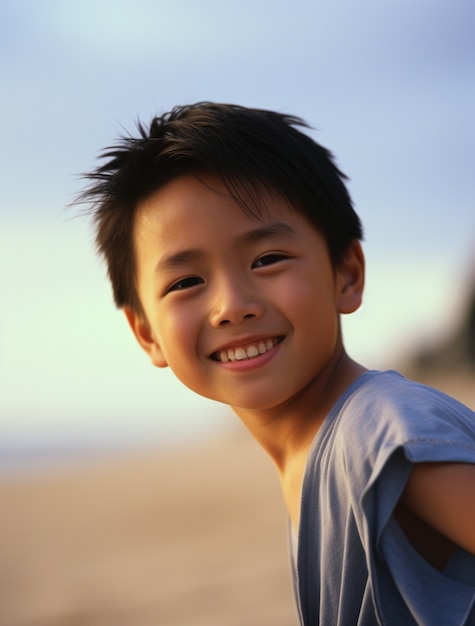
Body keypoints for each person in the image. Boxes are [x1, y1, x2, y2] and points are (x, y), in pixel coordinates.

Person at [76, 102, 475, 625]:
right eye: (186, 282)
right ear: (146, 332)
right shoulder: (322, 452)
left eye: (267, 260)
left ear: (346, 274)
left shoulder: (381, 436)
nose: (233, 305)